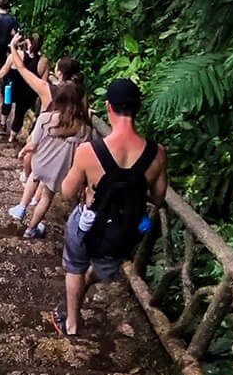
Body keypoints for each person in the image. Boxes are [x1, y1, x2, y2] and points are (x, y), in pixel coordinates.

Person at [51, 79, 168, 338]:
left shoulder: (88, 151)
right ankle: (91, 282)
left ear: (108, 107)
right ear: (137, 109)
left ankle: (71, 324)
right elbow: (158, 198)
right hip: (124, 229)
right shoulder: (157, 154)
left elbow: (67, 192)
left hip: (88, 223)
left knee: (74, 267)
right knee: (103, 264)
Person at [8, 80, 89, 237]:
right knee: (46, 197)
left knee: (34, 176)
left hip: (40, 164)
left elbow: (33, 144)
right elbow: (81, 154)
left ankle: (21, 207)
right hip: (59, 172)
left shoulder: (45, 119)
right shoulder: (84, 128)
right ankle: (31, 229)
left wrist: (23, 151)